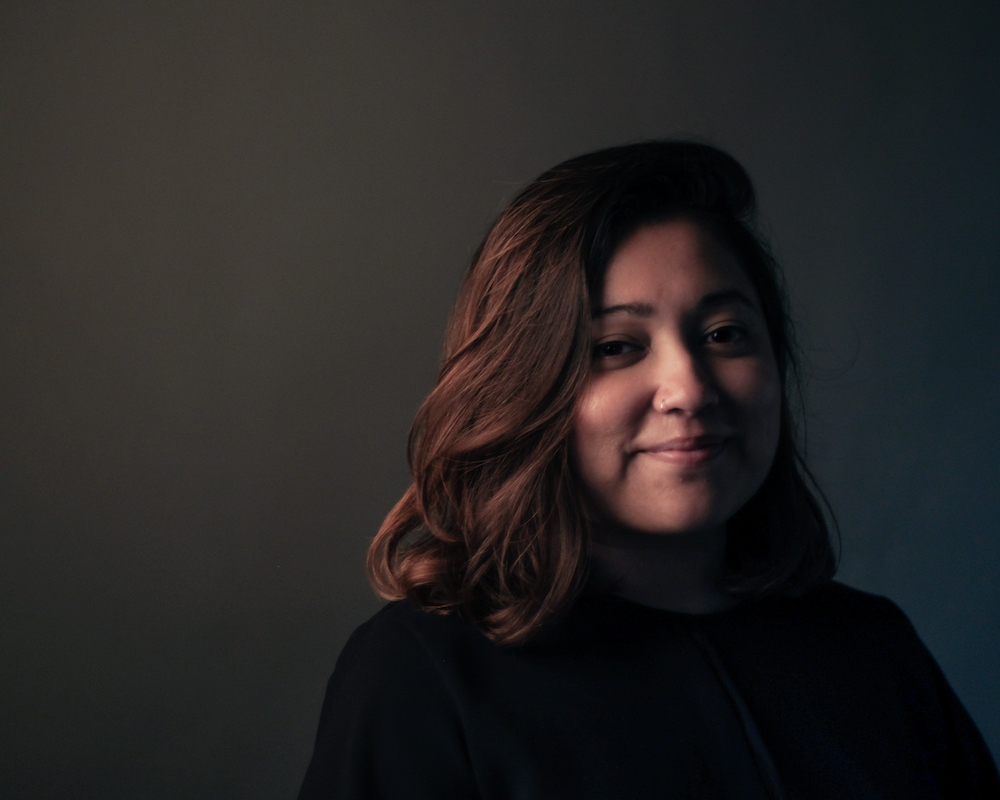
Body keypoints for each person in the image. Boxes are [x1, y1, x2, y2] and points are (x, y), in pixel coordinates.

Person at [298, 141, 999, 799]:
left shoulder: (873, 652)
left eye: (724, 335)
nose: (690, 389)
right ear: (525, 389)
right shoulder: (421, 678)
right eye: (616, 346)